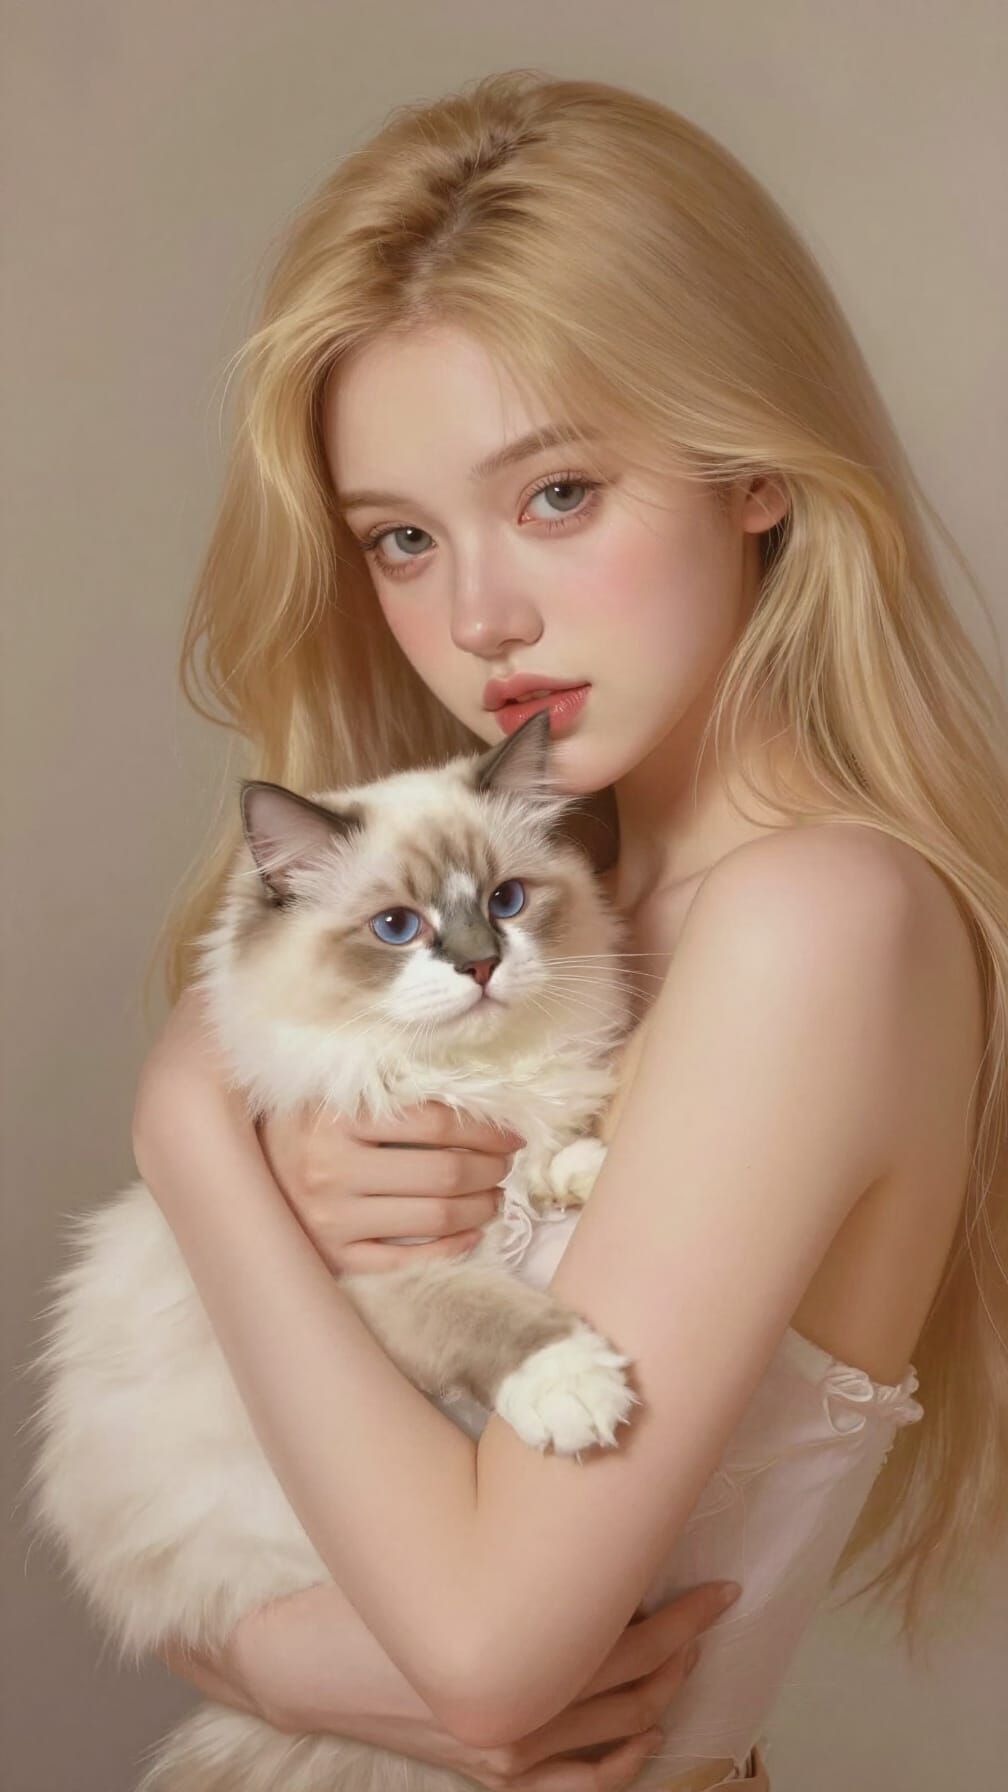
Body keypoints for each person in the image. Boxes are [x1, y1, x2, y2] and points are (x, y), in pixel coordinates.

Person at [131, 70, 1008, 1791]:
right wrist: (263, 1646)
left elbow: (482, 1660)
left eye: (556, 496)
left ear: (751, 463)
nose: (480, 616)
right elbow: (191, 1509)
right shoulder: (528, 928)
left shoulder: (815, 926)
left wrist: (186, 1131)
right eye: (401, 536)